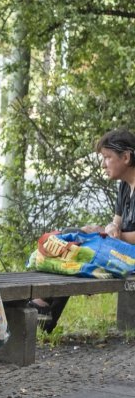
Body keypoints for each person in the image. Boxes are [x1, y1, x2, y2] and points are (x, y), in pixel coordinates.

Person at [32, 129, 135, 331]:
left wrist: (116, 234)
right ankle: (43, 309)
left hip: (129, 257)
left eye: (107, 158)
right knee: (74, 237)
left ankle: (42, 307)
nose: (103, 164)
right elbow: (117, 224)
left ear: (126, 157)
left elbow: (123, 235)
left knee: (77, 249)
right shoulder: (124, 186)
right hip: (124, 253)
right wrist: (107, 228)